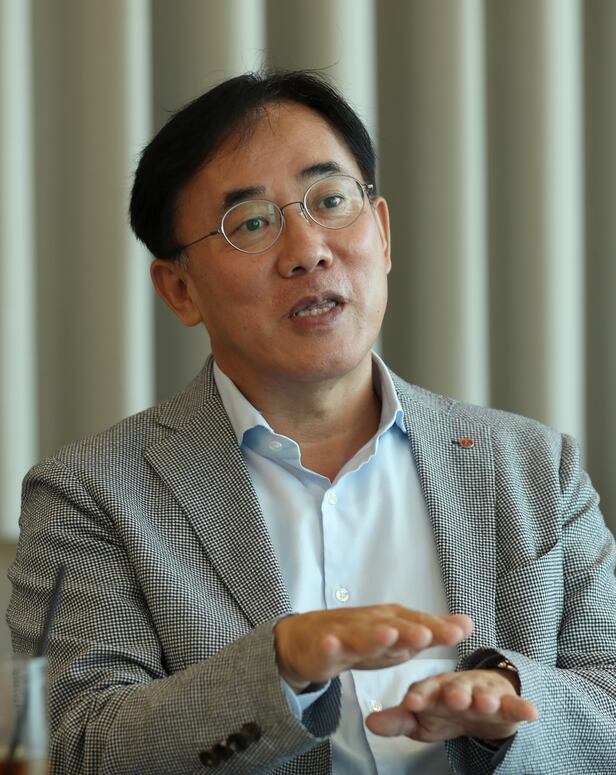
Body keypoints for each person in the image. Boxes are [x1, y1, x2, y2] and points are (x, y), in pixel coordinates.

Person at [6, 70, 616, 775]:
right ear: (179, 288)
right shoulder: (91, 492)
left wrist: (507, 701)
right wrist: (279, 669)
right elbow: (78, 745)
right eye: (251, 224)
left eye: (330, 201)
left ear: (381, 232)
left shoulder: (535, 466)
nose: (308, 250)